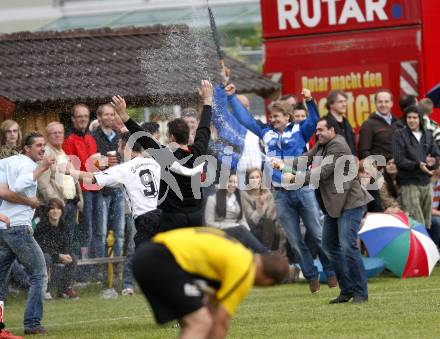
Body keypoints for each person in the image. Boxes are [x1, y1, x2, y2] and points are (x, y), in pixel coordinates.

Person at [227, 84, 336, 293]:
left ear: (288, 117)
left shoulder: (300, 130)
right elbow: (245, 119)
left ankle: (331, 272)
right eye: (272, 115)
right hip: (280, 194)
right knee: (295, 240)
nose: (274, 119)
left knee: (317, 234)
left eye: (278, 116)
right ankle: (311, 276)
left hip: (302, 189)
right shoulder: (265, 131)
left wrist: (311, 102)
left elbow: (313, 121)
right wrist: (232, 97)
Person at [273, 116, 373, 303]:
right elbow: (304, 159)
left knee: (348, 247)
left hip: (350, 204)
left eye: (321, 130)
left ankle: (361, 293)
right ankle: (347, 291)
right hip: (334, 205)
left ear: (332, 131)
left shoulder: (338, 147)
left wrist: (295, 179)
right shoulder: (321, 146)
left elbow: (322, 172)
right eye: (317, 130)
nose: (317, 133)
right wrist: (282, 164)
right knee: (329, 246)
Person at [132, 227, 289, 339]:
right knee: (200, 322)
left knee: (196, 322)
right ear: (268, 281)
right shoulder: (245, 270)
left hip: (152, 252)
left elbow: (211, 305)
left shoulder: (238, 252)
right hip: (161, 259)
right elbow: (222, 321)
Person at [112, 80, 213, 232]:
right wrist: (207, 101)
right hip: (196, 217)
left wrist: (123, 114)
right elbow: (204, 128)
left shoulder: (166, 155)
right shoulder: (199, 151)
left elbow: (142, 137)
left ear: (171, 137)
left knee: (169, 253)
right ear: (189, 134)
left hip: (172, 219)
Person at [72, 132, 204, 247]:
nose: (118, 150)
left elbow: (92, 178)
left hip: (146, 219)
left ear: (126, 147)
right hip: (166, 215)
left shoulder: (124, 168)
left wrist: (70, 171)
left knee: (144, 261)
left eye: (119, 145)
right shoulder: (157, 162)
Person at [0, 131, 54, 335]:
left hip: (3, 228)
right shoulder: (29, 165)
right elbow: (19, 185)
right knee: (40, 274)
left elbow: (3, 191)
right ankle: (32, 323)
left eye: (43, 145)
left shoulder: (6, 163)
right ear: (26, 149)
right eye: (38, 145)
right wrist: (41, 168)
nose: (42, 149)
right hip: (18, 229)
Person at [37, 122, 83, 255]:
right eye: (54, 133)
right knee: (59, 242)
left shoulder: (62, 152)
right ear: (47, 136)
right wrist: (56, 205)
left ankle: (69, 271)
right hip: (58, 206)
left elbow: (72, 177)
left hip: (70, 203)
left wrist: (79, 198)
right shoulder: (46, 154)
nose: (58, 135)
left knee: (69, 239)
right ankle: (59, 273)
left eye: (60, 132)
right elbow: (43, 184)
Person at [392, 105, 440, 227]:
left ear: (420, 119)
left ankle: (426, 246)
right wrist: (418, 165)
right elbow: (399, 160)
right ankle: (416, 247)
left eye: (415, 117)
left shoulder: (428, 134)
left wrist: (433, 161)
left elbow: (437, 155)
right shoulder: (399, 134)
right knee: (416, 223)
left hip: (426, 182)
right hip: (409, 183)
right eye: (409, 117)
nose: (412, 120)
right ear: (405, 119)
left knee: (427, 222)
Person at [62, 103, 99, 259]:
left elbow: (94, 164)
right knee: (86, 228)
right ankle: (83, 265)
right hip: (83, 191)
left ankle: (95, 263)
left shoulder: (91, 138)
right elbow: (71, 171)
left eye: (85, 116)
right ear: (73, 119)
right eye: (79, 116)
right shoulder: (69, 141)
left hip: (97, 188)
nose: (83, 119)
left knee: (98, 229)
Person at [92, 104, 125, 258]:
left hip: (118, 188)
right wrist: (105, 161)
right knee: (100, 231)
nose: (110, 117)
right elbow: (89, 161)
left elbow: (125, 158)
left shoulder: (119, 136)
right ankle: (99, 270)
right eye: (106, 115)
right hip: (101, 189)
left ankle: (117, 267)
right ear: (99, 117)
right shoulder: (92, 137)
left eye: (112, 114)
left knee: (119, 231)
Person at [204, 173, 267, 253]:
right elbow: (209, 223)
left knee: (255, 230)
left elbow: (242, 219)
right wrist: (234, 226)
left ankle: (258, 257)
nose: (233, 184)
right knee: (241, 230)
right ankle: (265, 253)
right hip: (220, 231)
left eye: (235, 182)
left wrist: (248, 231)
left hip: (237, 230)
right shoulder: (212, 199)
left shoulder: (237, 199)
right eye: (230, 181)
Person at [34, 198, 78, 300]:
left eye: (58, 208)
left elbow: (66, 244)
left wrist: (66, 254)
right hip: (43, 255)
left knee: (73, 259)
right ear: (48, 211)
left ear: (62, 211)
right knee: (47, 259)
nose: (55, 211)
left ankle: (64, 289)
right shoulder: (42, 225)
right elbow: (42, 247)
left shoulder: (64, 225)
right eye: (52, 208)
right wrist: (58, 255)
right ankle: (46, 290)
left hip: (57, 255)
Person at [241, 168, 281, 251]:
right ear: (247, 180)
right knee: (266, 226)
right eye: (252, 178)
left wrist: (265, 205)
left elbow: (272, 216)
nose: (255, 180)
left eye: (257, 177)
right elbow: (251, 220)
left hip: (268, 225)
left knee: (276, 229)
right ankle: (266, 254)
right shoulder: (244, 194)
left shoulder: (267, 193)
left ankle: (273, 255)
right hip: (250, 226)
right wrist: (260, 207)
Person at [358, 90, 400, 160]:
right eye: (380, 102)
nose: (383, 105)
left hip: (399, 167)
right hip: (380, 169)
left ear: (391, 103)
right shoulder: (368, 125)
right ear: (375, 103)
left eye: (386, 101)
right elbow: (363, 152)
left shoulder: (398, 123)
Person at [324, 90, 356, 155]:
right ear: (331, 104)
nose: (344, 104)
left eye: (345, 101)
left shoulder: (346, 122)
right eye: (340, 102)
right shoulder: (325, 123)